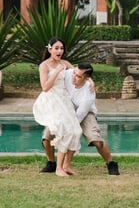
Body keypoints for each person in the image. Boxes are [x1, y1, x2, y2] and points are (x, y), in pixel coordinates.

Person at [40, 63, 120, 176]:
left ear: (87, 79)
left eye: (78, 76)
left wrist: (65, 128)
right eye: (74, 73)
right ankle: (51, 164)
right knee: (47, 135)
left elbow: (78, 117)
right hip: (66, 110)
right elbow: (54, 70)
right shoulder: (68, 74)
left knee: (95, 140)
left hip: (85, 113)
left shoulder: (89, 94)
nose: (73, 77)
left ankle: (111, 164)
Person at [32, 37, 82, 177]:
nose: (59, 51)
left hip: (64, 100)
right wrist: (57, 71)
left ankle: (66, 165)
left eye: (61, 48)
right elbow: (45, 87)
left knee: (76, 131)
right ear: (50, 49)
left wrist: (89, 81)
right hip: (51, 101)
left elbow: (79, 76)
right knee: (61, 129)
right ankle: (57, 167)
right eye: (56, 48)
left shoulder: (66, 63)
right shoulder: (44, 65)